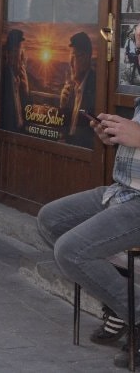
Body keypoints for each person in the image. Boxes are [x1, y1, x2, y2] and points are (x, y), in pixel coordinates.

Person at [37, 108, 140, 368]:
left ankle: (135, 315)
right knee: (50, 220)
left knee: (71, 251)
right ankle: (120, 306)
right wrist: (113, 136)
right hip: (123, 191)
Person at [60, 31, 97, 147]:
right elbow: (66, 128)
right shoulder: (72, 89)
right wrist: (62, 107)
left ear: (86, 58)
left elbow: (89, 136)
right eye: (70, 58)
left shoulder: (96, 88)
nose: (70, 63)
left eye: (74, 57)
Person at [1, 28, 30, 131]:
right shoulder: (3, 79)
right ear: (8, 55)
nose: (22, 57)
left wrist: (26, 91)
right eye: (16, 51)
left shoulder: (20, 80)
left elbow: (27, 113)